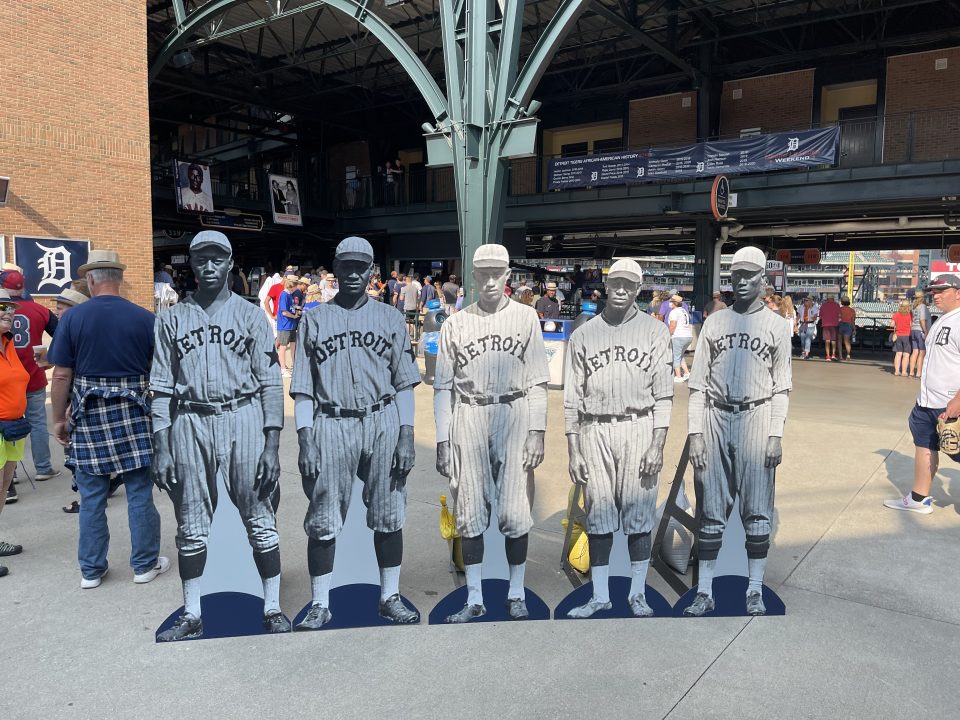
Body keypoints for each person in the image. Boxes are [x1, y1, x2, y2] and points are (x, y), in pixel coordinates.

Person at [151, 231, 289, 641]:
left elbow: (268, 382)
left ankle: (273, 606)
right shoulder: (171, 318)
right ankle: (193, 611)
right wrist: (161, 444)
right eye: (201, 259)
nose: (208, 266)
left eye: (217, 259)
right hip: (190, 421)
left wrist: (272, 442)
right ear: (191, 265)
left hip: (242, 414)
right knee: (191, 521)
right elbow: (160, 384)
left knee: (259, 515)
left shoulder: (249, 316)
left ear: (230, 263)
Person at [292, 236, 420, 629]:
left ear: (371, 272)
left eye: (360, 266)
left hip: (381, 419)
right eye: (345, 265)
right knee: (324, 516)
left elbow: (402, 383)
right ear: (335, 268)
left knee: (389, 511)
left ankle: (389, 596)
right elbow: (302, 387)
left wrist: (406, 433)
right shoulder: (314, 318)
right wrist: (305, 438)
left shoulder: (390, 317)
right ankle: (320, 603)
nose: (352, 273)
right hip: (332, 422)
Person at [434, 244, 549, 623]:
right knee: (468, 508)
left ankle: (516, 592)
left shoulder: (527, 317)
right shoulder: (455, 323)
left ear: (508, 276)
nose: (490, 281)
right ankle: (475, 597)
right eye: (483, 274)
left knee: (516, 509)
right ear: (473, 278)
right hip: (470, 412)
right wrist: (441, 439)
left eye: (497, 273)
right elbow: (443, 388)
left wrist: (537, 430)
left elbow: (537, 382)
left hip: (513, 410)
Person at [48, 250, 167, 590]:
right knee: (140, 491)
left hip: (88, 414)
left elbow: (61, 376)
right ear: (119, 280)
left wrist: (59, 418)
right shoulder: (146, 319)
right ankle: (144, 566)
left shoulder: (73, 318)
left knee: (92, 496)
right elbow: (161, 375)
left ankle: (91, 571)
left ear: (90, 280)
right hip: (135, 412)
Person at [683, 246, 792, 617]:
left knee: (757, 509)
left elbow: (782, 387)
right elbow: (697, 384)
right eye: (737, 275)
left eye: (750, 275)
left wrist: (776, 433)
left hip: (757, 414)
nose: (742, 281)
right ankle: (705, 591)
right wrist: (695, 433)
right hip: (716, 415)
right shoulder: (715, 321)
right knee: (711, 507)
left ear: (763, 279)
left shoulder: (777, 326)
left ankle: (755, 589)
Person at [563, 260, 673, 618]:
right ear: (605, 286)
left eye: (629, 284)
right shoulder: (583, 334)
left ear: (638, 289)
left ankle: (637, 593)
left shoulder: (656, 333)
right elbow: (571, 399)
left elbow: (664, 396)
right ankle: (600, 595)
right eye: (616, 283)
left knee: (639, 514)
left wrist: (658, 444)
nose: (622, 289)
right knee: (599, 514)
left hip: (639, 425)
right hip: (594, 428)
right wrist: (573, 448)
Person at [884, 273, 960, 514]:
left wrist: (958, 400)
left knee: (956, 450)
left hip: (950, 402)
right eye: (934, 292)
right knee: (925, 446)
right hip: (928, 400)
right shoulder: (941, 319)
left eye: (942, 291)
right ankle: (919, 498)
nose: (935, 296)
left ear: (958, 292)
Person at [1, 271, 60, 493]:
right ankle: (43, 467)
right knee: (36, 423)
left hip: (12, 379)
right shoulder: (40, 309)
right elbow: (62, 335)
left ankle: (11, 475)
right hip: (33, 375)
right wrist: (51, 356)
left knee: (9, 425)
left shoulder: (5, 316)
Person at [49, 287, 90, 515]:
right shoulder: (88, 328)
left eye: (61, 308)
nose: (57, 312)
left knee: (77, 456)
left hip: (74, 403)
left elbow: (61, 374)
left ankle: (85, 498)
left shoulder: (70, 329)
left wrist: (58, 417)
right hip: (80, 399)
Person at [0, 289, 29, 577]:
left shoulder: (7, 343)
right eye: (1, 306)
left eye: (10, 307)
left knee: (1, 490)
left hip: (12, 428)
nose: (9, 311)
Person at [276, 276, 300, 376]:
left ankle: (295, 365)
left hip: (291, 325)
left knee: (293, 345)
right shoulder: (284, 294)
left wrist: (297, 309)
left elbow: (291, 307)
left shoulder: (290, 295)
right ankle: (283, 368)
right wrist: (294, 316)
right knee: (283, 347)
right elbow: (284, 312)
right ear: (292, 285)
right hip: (285, 325)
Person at [668, 294, 693, 382]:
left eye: (671, 302)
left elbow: (673, 325)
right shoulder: (683, 311)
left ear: (674, 303)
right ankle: (686, 372)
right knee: (680, 355)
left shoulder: (674, 312)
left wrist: (668, 335)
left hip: (678, 336)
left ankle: (678, 376)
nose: (669, 303)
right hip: (688, 336)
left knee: (676, 357)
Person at [909, 295, 931, 377]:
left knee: (914, 352)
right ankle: (919, 372)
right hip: (920, 330)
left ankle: (911, 372)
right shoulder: (923, 306)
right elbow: (922, 319)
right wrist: (925, 331)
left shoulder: (914, 307)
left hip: (914, 329)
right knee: (922, 353)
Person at [891, 300, 913, 376]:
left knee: (898, 354)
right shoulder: (910, 314)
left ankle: (897, 371)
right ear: (908, 307)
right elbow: (911, 325)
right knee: (906, 354)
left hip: (898, 335)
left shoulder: (896, 314)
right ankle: (904, 371)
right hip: (907, 335)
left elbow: (891, 324)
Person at [819, 294, 841, 361]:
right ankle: (833, 355)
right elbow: (840, 315)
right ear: (833, 298)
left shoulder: (823, 305)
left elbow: (820, 316)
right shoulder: (837, 305)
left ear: (827, 299)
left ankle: (828, 356)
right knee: (833, 340)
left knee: (827, 340)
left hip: (825, 324)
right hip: (834, 325)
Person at [401, 274, 422, 339]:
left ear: (406, 281)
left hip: (407, 307)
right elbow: (417, 298)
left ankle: (410, 336)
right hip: (415, 307)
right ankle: (416, 334)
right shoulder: (415, 288)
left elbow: (401, 298)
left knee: (408, 322)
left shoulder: (404, 288)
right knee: (413, 321)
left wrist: (406, 298)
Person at [838, 297, 856, 361]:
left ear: (842, 302)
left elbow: (838, 318)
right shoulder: (852, 310)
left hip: (840, 325)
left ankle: (840, 356)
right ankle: (848, 355)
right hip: (848, 326)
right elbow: (853, 321)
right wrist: (854, 329)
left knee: (839, 341)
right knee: (847, 342)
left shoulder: (839, 309)